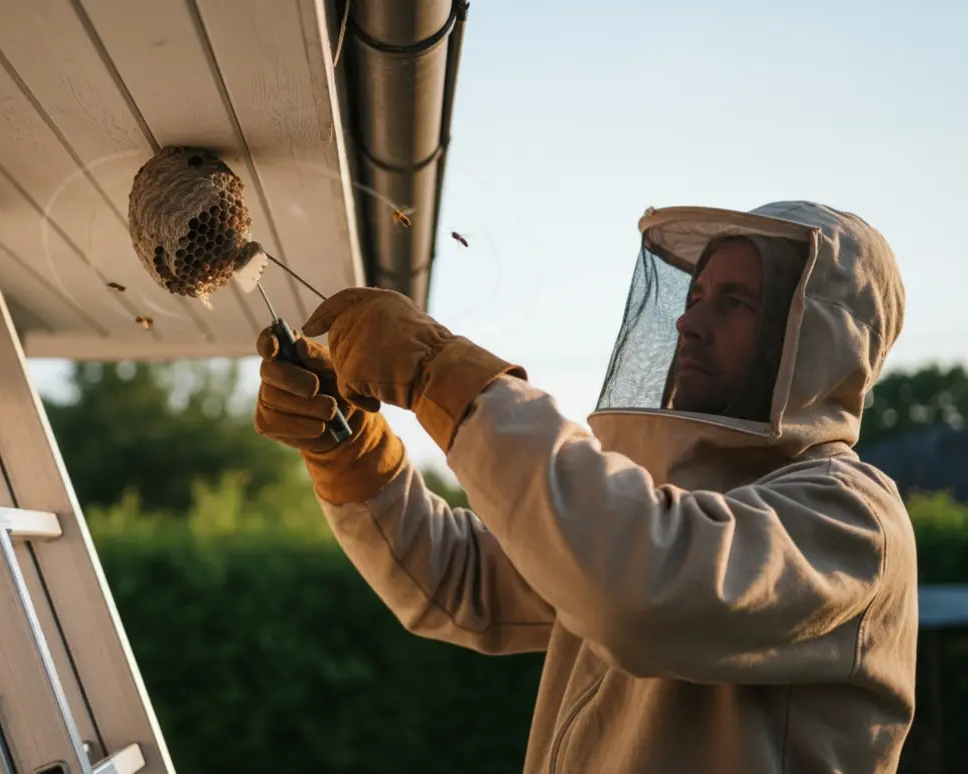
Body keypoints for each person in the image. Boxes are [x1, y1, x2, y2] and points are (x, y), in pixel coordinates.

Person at [253, 201, 917, 774]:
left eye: (736, 302)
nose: (689, 323)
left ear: (819, 341)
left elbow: (639, 591)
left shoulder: (852, 519)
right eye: (695, 298)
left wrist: (441, 373)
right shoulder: (656, 511)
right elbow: (462, 580)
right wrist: (348, 448)